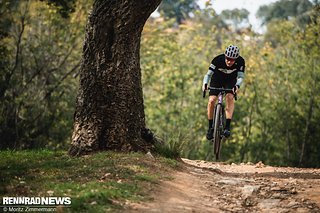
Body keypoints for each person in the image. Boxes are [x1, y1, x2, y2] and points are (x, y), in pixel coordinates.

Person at [202, 45, 245, 140]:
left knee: (230, 97)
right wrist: (204, 83)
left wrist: (237, 86)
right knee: (212, 100)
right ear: (225, 56)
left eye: (232, 60)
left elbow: (241, 77)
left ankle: (227, 127)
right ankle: (210, 128)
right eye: (228, 59)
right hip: (217, 79)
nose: (229, 61)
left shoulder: (241, 61)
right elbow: (208, 75)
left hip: (230, 81)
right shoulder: (217, 60)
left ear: (236, 59)